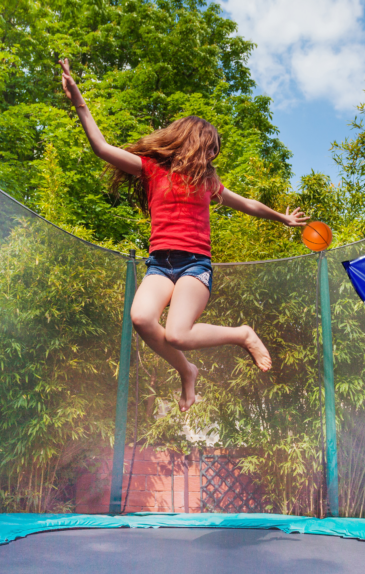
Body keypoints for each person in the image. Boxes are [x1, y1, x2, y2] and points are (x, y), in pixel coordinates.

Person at [59, 59, 307, 412]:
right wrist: (80, 103)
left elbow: (248, 203)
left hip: (194, 265)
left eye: (214, 153)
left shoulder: (209, 183)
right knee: (142, 319)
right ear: (190, 141)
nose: (211, 156)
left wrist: (282, 219)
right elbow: (101, 147)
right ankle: (187, 371)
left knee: (178, 333)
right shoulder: (152, 169)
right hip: (159, 264)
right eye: (208, 149)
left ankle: (242, 334)